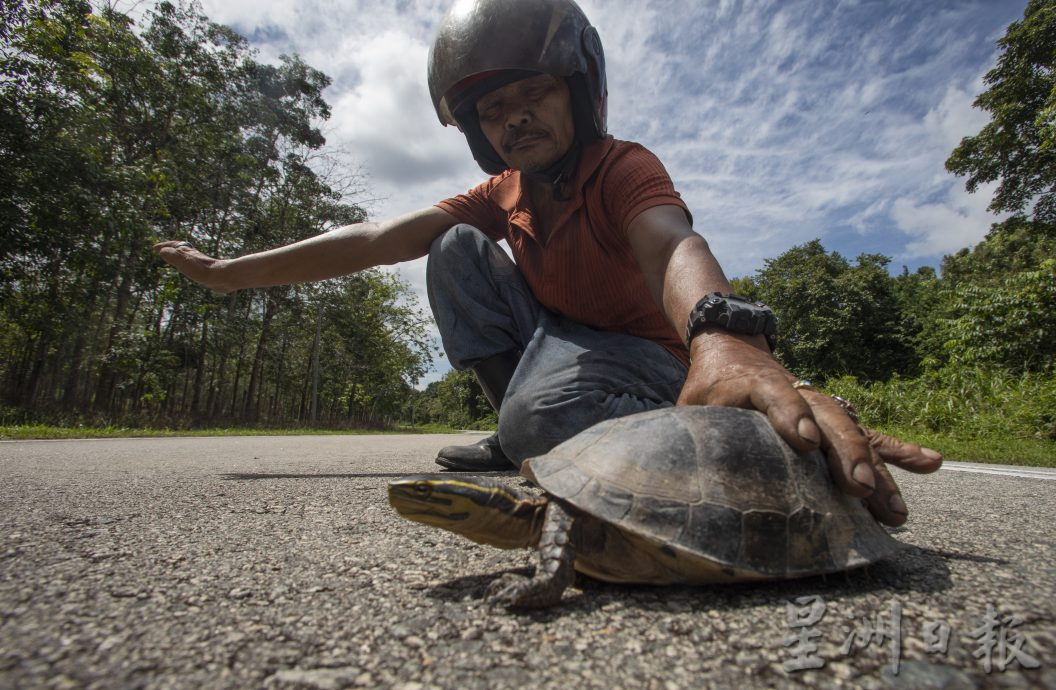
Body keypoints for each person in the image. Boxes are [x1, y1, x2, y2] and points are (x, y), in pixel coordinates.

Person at [154, 0, 941, 526]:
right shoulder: (501, 193)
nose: (513, 119)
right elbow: (372, 237)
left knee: (546, 419)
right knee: (452, 247)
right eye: (493, 111)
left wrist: (722, 332)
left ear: (579, 91)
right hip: (562, 342)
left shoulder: (621, 167)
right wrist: (229, 272)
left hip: (654, 360)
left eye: (531, 95)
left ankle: (739, 420)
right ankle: (516, 431)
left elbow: (673, 243)